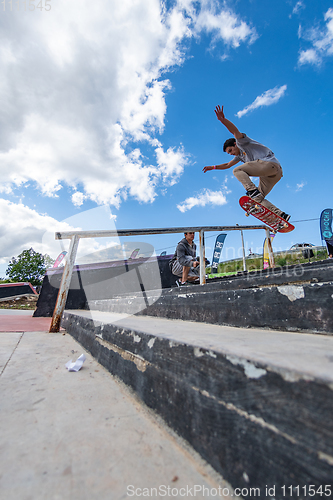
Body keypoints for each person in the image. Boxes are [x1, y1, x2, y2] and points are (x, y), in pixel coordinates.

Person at [203, 105, 290, 221]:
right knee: (256, 200)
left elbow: (234, 131)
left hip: (269, 164)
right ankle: (281, 216)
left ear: (234, 144)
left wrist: (223, 120)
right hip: (274, 174)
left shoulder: (241, 142)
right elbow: (227, 165)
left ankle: (252, 190)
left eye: (230, 150)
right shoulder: (239, 157)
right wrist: (213, 167)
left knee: (237, 170)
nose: (232, 154)